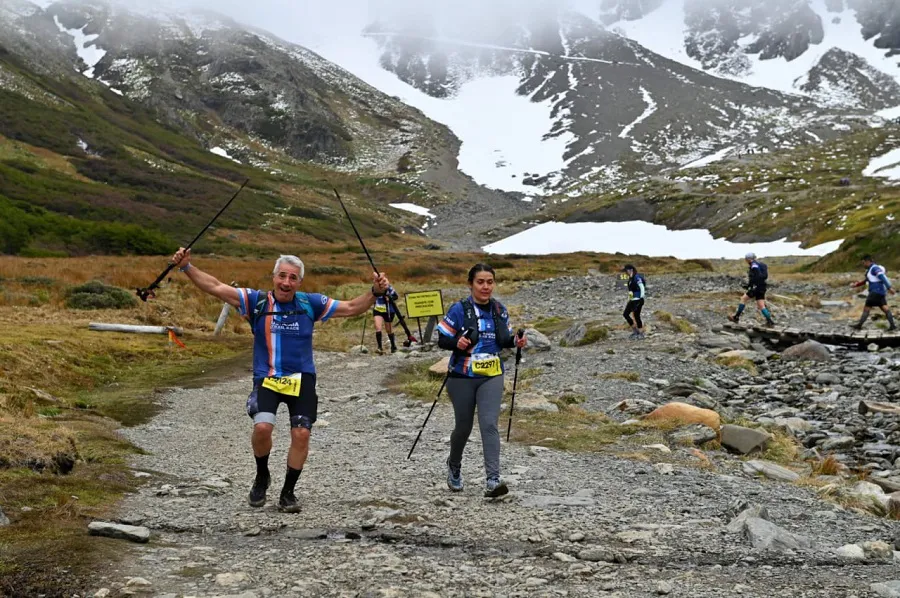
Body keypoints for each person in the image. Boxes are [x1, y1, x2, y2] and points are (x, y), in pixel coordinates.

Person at [170, 247, 390, 513]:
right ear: (274, 277)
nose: (286, 282)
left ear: (299, 282)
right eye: (282, 276)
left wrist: (375, 292)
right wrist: (187, 267)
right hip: (268, 377)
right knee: (262, 428)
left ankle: (288, 492)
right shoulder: (256, 301)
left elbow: (353, 307)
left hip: (302, 379)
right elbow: (215, 287)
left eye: (293, 278)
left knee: (301, 433)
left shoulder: (311, 303)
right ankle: (262, 475)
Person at [436, 264, 527, 498]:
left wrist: (515, 341)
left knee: (488, 424)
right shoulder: (459, 309)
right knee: (463, 428)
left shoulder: (499, 309)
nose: (485, 287)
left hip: (492, 374)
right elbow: (442, 340)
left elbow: (504, 339)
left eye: (490, 282)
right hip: (461, 376)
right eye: (480, 282)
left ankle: (493, 480)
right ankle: (454, 465)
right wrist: (457, 343)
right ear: (470, 284)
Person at [850, 255, 896, 331]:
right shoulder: (871, 270)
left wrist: (889, 288)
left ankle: (859, 325)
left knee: (866, 308)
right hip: (881, 293)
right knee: (885, 309)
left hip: (874, 292)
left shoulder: (874, 268)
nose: (863, 265)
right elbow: (865, 281)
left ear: (868, 261)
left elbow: (882, 277)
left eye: (863, 263)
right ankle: (893, 326)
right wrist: (856, 285)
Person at [728, 252, 775, 326]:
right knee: (761, 305)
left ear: (748, 259)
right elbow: (763, 276)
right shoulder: (761, 264)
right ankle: (770, 322)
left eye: (746, 259)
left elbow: (757, 275)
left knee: (743, 299)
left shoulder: (754, 265)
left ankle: (736, 317)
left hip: (756, 287)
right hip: (762, 287)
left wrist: (750, 285)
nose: (745, 260)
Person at [373, 285, 401, 354]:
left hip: (388, 310)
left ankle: (393, 346)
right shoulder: (374, 288)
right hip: (378, 309)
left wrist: (389, 298)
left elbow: (396, 296)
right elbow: (371, 297)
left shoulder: (389, 287)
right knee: (378, 327)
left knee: (388, 329)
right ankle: (379, 347)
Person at [622, 264, 646, 339]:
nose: (625, 273)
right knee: (625, 314)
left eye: (626, 271)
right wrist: (629, 298)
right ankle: (635, 330)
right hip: (632, 299)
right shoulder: (631, 278)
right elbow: (630, 290)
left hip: (638, 299)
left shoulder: (637, 277)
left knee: (636, 315)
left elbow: (641, 287)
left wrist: (641, 297)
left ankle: (641, 332)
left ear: (630, 270)